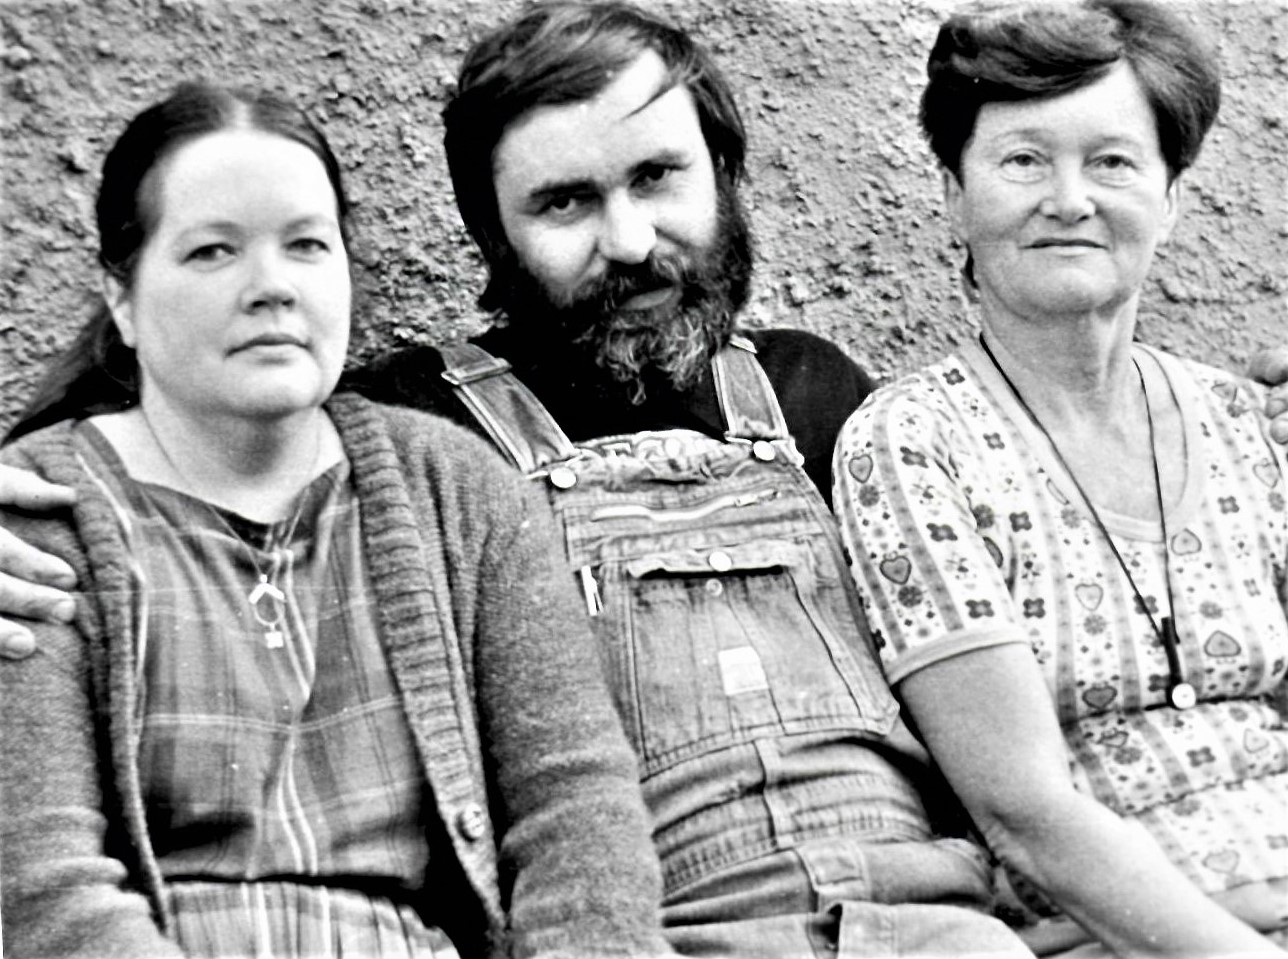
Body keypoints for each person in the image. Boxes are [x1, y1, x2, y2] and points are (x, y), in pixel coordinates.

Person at [0, 1, 1285, 955]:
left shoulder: (824, 396)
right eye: (564, 204)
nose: (629, 240)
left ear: (723, 176)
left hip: (934, 925)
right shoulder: (412, 430)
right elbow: (188, 422)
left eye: (661, 179)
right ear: (492, 234)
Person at [0, 81, 673, 959]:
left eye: (307, 245)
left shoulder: (460, 490)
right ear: (121, 296)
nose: (272, 287)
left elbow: (576, 808)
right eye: (212, 251)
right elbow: (43, 886)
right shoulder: (37, 515)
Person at [832, 1, 1288, 955]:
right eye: (1023, 161)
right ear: (955, 197)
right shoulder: (914, 442)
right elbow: (1026, 816)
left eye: (1113, 161)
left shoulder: (1246, 422)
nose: (1070, 199)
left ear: (1170, 198)